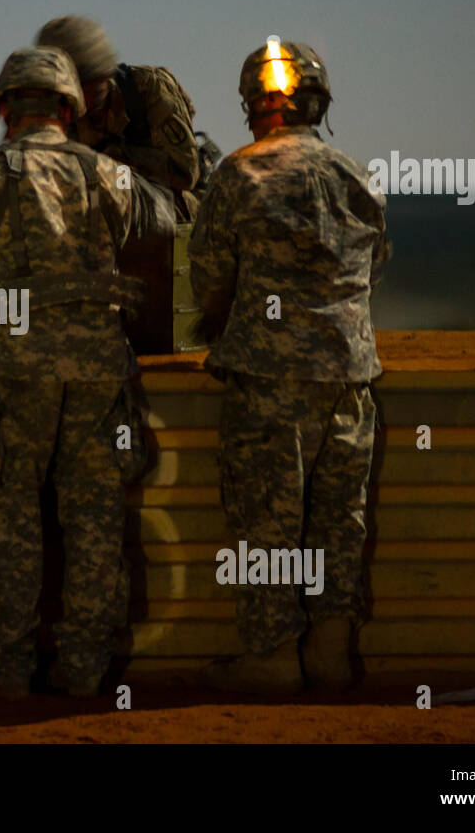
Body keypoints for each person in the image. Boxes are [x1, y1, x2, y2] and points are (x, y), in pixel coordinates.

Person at [0, 46, 174, 699]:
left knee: (9, 536)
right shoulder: (110, 177)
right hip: (100, 376)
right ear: (68, 109)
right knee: (97, 529)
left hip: (12, 375)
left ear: (3, 108)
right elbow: (164, 223)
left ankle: (8, 679)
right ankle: (83, 676)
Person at [188, 39, 389, 694]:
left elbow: (210, 280)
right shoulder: (357, 176)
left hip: (268, 388)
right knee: (340, 522)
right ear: (317, 104)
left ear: (251, 106)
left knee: (266, 526)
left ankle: (273, 658)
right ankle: (330, 655)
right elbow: (374, 267)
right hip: (352, 383)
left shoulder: (236, 175)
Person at [35, 15, 210, 220]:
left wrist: (118, 157)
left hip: (172, 209)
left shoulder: (149, 88)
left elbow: (186, 174)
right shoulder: (62, 114)